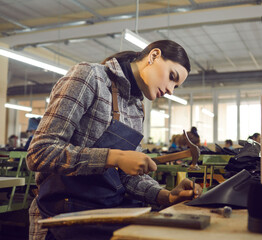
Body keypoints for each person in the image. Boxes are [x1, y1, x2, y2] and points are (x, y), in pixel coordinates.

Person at [26, 40, 202, 240]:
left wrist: (166, 196)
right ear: (153, 56)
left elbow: (127, 177)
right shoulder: (90, 77)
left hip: (107, 209)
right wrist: (113, 157)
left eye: (176, 86)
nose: (171, 90)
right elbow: (39, 153)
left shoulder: (137, 108)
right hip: (63, 214)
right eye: (172, 77)